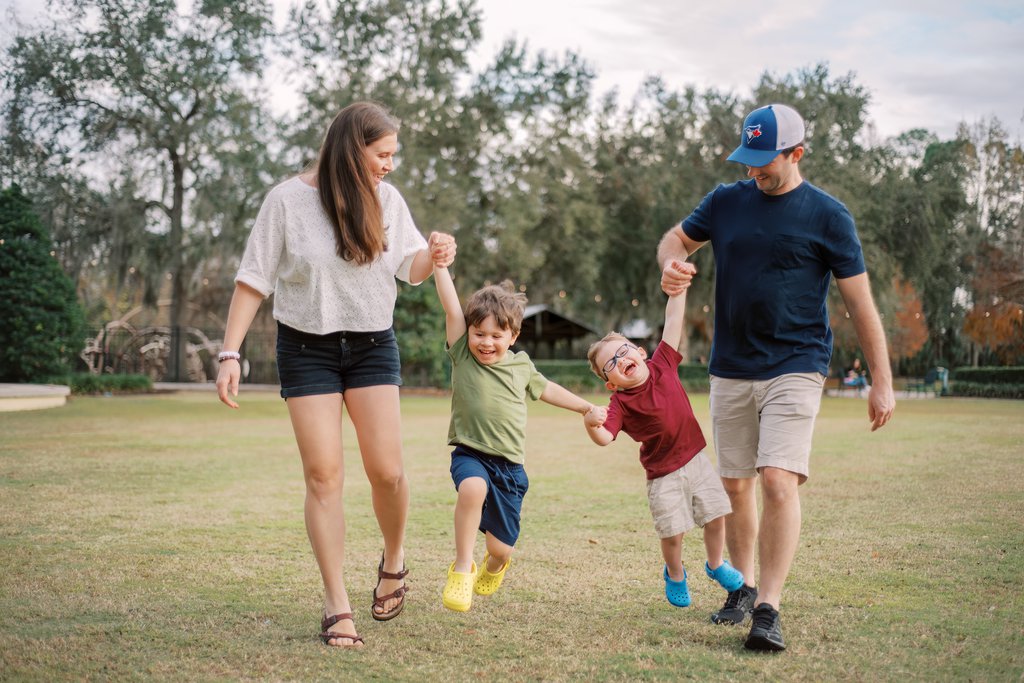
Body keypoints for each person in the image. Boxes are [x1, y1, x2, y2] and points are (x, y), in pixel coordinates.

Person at [215, 101, 457, 648]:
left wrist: (436, 252)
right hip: (306, 348)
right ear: (352, 149)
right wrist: (230, 353)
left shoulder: (386, 199)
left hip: (372, 345)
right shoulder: (286, 201)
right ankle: (336, 602)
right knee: (324, 476)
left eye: (393, 155)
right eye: (383, 154)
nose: (390, 165)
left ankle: (393, 559)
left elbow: (411, 267)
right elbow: (253, 279)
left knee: (388, 472)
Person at [657, 103, 895, 651]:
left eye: (764, 160)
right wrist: (671, 263)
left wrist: (881, 379)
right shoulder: (725, 201)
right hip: (731, 366)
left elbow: (860, 304)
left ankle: (768, 607)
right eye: (748, 158)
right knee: (735, 484)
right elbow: (676, 239)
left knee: (778, 480)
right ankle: (741, 588)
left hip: (797, 362)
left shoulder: (829, 216)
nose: (753, 170)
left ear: (796, 153)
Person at [432, 264, 601, 612]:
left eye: (496, 335)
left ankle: (495, 565)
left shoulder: (521, 366)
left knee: (501, 550)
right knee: (472, 489)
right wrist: (440, 265)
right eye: (479, 333)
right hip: (470, 453)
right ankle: (462, 568)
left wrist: (585, 407)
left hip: (509, 468)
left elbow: (548, 389)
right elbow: (451, 308)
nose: (486, 342)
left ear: (513, 336)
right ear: (468, 332)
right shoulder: (462, 353)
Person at [584, 260, 746, 610]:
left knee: (716, 514)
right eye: (611, 364)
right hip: (663, 475)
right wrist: (590, 424)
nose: (620, 359)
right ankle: (674, 573)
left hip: (696, 460)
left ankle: (716, 564)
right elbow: (605, 438)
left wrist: (677, 290)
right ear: (611, 383)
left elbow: (673, 320)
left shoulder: (663, 363)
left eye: (624, 351)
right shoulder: (619, 403)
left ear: (640, 352)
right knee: (673, 531)